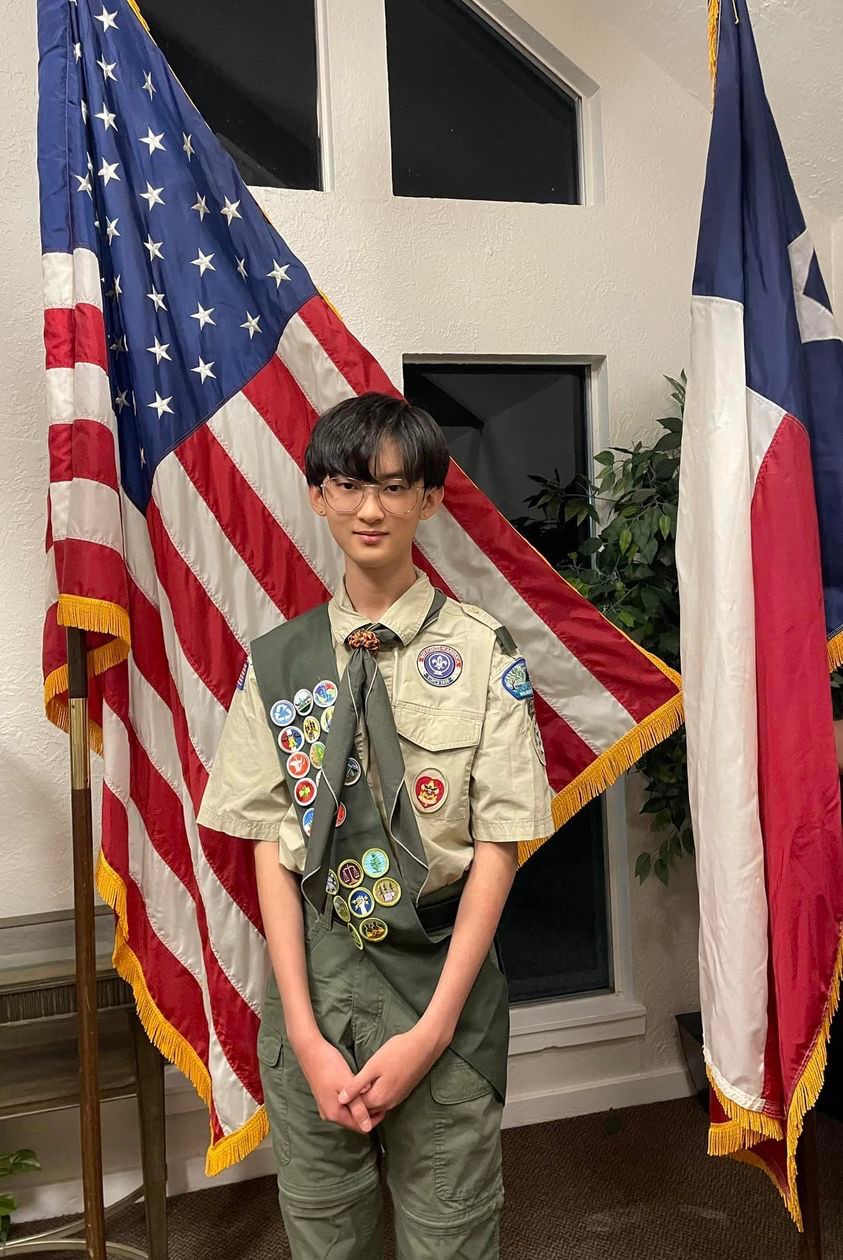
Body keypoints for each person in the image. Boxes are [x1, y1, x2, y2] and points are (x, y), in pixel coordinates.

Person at [198, 392, 555, 1259]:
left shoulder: (481, 651)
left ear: (428, 500)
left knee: (450, 1233)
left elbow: (499, 845)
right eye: (350, 485)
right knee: (324, 1232)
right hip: (313, 977)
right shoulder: (278, 662)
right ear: (317, 495)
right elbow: (269, 849)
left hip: (438, 968)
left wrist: (431, 1031)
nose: (371, 508)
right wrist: (305, 1033)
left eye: (395, 487)